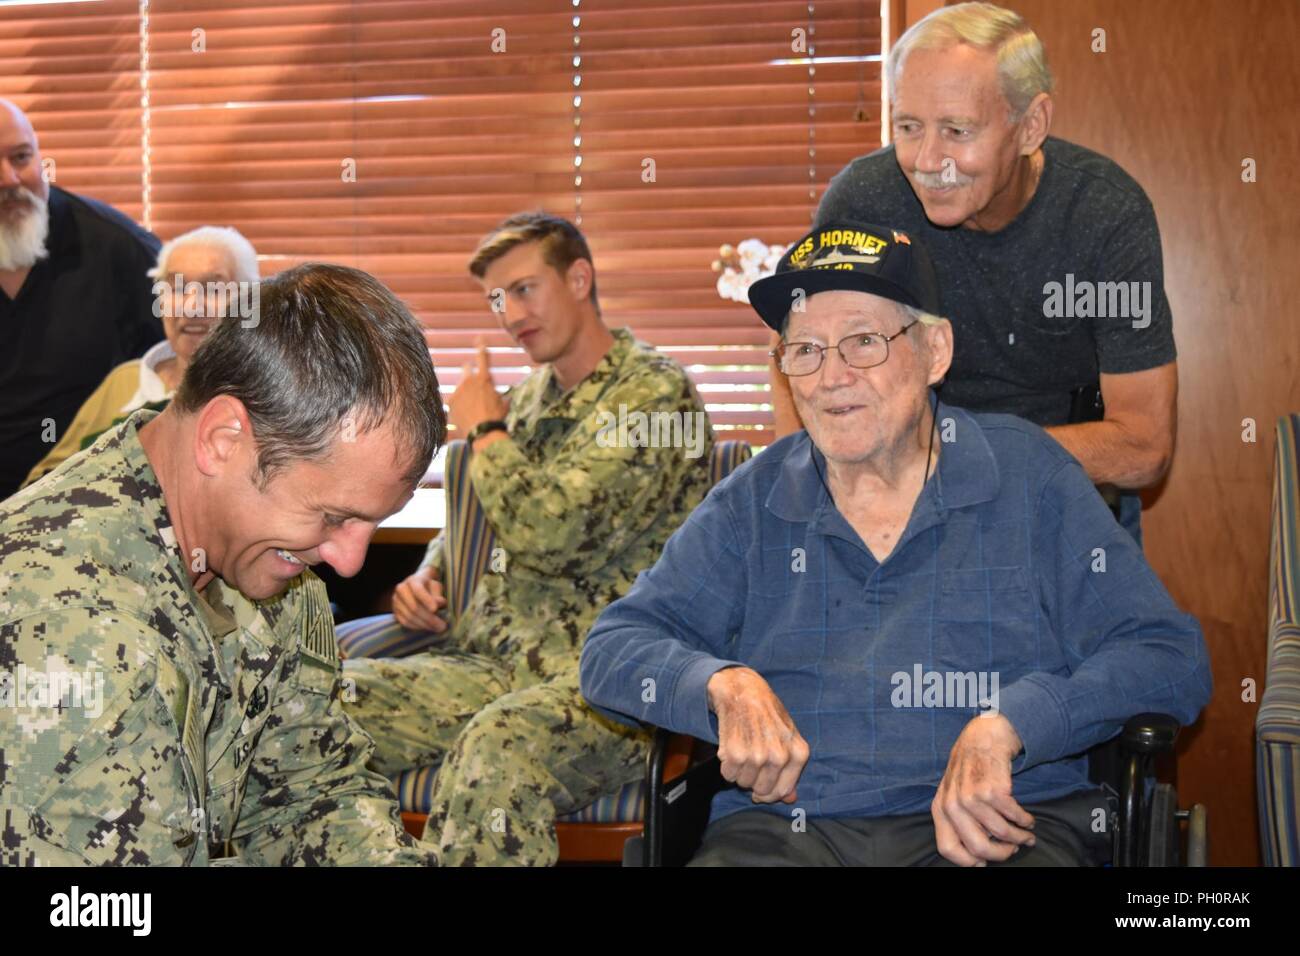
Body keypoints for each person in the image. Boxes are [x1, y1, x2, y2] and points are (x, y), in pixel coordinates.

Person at [580, 220, 1211, 867]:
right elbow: (610, 652)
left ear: (935, 351)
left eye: (862, 342)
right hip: (789, 833)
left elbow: (1170, 657)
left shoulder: (1029, 477)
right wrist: (719, 683)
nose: (831, 377)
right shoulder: (754, 500)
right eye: (805, 350)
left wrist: (1012, 724)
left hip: (999, 831)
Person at [0, 262, 443, 866]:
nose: (347, 560)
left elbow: (310, 793)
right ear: (223, 440)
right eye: (334, 516)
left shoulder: (268, 566)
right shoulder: (69, 631)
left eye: (371, 522)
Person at [339, 212, 714, 865]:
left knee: (499, 744)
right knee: (322, 702)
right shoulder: (531, 399)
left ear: (579, 277)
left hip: (610, 684)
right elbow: (488, 519)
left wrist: (485, 431)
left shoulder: (653, 395)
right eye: (496, 298)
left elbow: (551, 530)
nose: (510, 314)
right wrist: (430, 573)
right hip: (493, 668)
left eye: (524, 289)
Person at [772, 2, 1177, 543]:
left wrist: (956, 458)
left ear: (1031, 125)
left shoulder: (1102, 216)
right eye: (909, 127)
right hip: (899, 498)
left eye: (957, 130)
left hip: (1058, 494)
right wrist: (811, 493)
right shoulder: (865, 203)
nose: (928, 160)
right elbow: (798, 357)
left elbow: (1144, 448)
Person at [0, 99, 162, 498]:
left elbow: (182, 371)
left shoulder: (121, 250)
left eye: (21, 157)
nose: (8, 179)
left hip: (88, 505)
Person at [23, 225, 259, 487]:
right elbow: (44, 481)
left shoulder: (269, 394)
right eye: (177, 288)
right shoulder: (127, 382)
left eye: (213, 289)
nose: (192, 307)